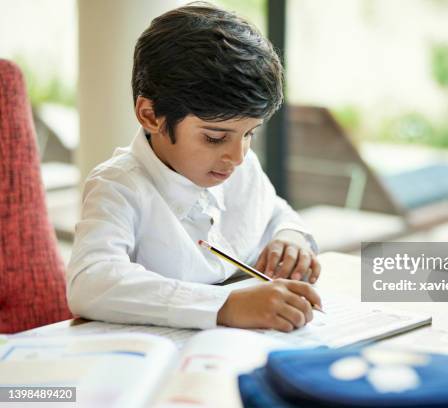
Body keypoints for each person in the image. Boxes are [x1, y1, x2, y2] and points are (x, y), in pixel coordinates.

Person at [67, 2, 321, 332]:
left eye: (250, 134)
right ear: (151, 115)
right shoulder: (118, 186)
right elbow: (90, 282)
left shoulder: (240, 168)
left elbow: (274, 211)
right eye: (216, 137)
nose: (238, 156)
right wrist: (224, 306)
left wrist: (290, 238)